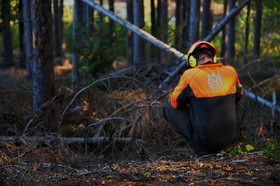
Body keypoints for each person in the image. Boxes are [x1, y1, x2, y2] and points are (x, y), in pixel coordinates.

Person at [164, 40, 244, 155]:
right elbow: (239, 96)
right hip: (230, 138)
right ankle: (229, 144)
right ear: (213, 58)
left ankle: (199, 148)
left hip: (204, 142)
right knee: (238, 105)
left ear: (192, 60)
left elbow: (175, 103)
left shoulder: (190, 75)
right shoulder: (230, 71)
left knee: (169, 109)